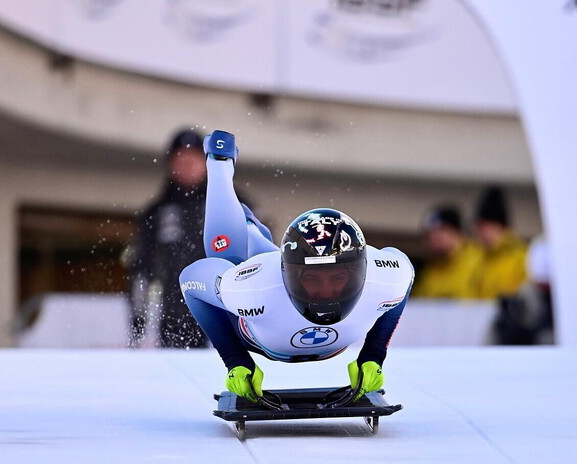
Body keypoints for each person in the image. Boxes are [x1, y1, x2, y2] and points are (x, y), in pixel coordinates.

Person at [178, 130, 415, 402]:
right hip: (256, 297)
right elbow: (191, 281)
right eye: (312, 279)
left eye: (337, 278)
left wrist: (373, 357)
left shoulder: (386, 277)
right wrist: (236, 361)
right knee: (226, 257)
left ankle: (250, 224)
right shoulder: (252, 287)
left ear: (362, 271)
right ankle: (220, 166)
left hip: (268, 315)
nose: (326, 293)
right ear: (285, 273)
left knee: (247, 253)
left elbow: (404, 272)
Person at [124, 128, 210, 349]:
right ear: (170, 164)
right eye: (181, 158)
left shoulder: (228, 206)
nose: (188, 164)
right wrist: (139, 324)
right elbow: (141, 271)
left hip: (220, 318)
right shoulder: (156, 212)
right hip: (169, 321)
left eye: (195, 158)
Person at [411, 205, 483, 299]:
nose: (434, 238)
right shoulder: (428, 273)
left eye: (441, 231)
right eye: (430, 234)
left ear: (457, 232)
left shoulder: (480, 262)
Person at [472, 186, 528, 300]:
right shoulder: (476, 258)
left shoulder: (521, 258)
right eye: (479, 227)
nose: (480, 233)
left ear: (499, 226)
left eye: (485, 227)